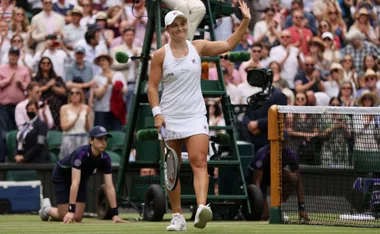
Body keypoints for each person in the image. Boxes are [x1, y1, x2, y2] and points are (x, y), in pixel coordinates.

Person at [147, 1, 251, 231]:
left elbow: (228, 43)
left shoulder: (199, 47)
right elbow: (152, 87)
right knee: (172, 168)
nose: (180, 28)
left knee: (199, 161)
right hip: (169, 117)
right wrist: (157, 114)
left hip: (195, 115)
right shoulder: (160, 55)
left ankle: (202, 208)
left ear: (186, 26)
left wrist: (245, 21)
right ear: (168, 30)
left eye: (183, 24)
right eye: (174, 25)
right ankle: (177, 216)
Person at [39, 126, 126, 224]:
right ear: (91, 141)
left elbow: (109, 186)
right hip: (62, 176)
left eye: (105, 139)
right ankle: (46, 209)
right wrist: (71, 211)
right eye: (100, 138)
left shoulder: (105, 158)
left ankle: (58, 214)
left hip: (81, 179)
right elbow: (75, 183)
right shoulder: (80, 154)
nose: (104, 142)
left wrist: (115, 214)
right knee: (65, 215)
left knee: (77, 218)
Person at [246, 132, 309, 221]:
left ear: (286, 142)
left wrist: (301, 208)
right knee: (265, 216)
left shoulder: (289, 155)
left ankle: (278, 206)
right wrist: (261, 204)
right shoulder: (262, 154)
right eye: (278, 141)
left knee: (294, 178)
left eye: (283, 142)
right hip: (258, 179)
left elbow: (299, 182)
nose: (280, 144)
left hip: (275, 176)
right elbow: (257, 182)